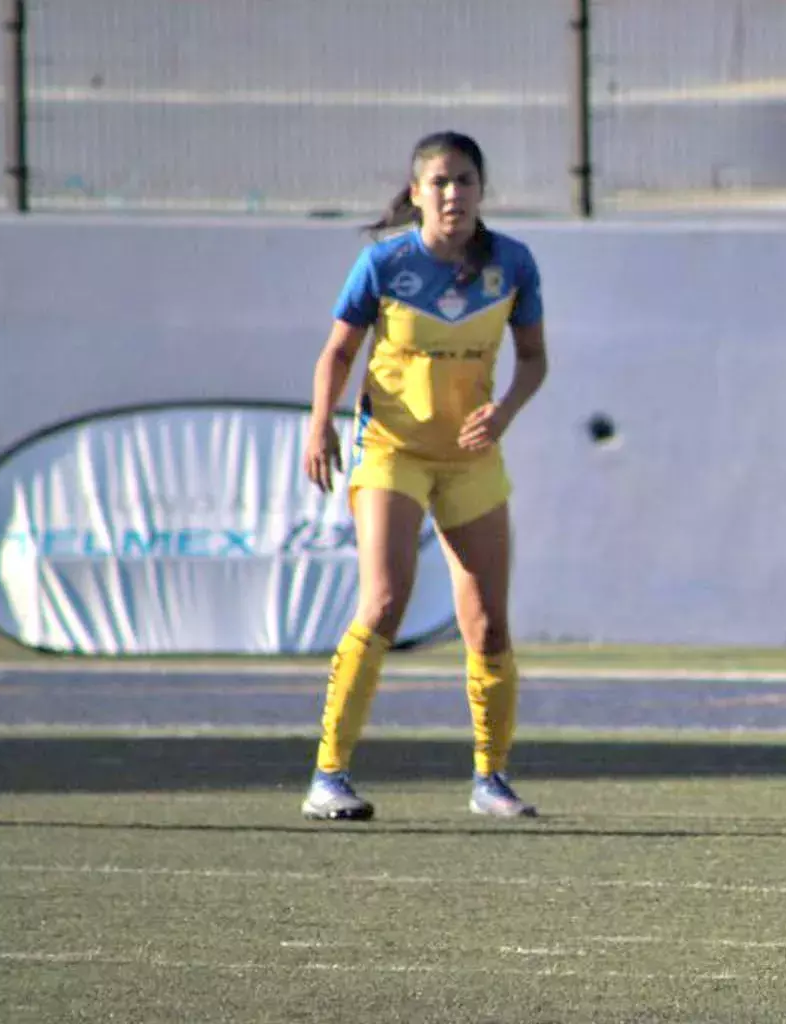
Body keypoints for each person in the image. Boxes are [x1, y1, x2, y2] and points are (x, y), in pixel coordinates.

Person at [298, 131, 550, 822]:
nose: (452, 194)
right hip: (392, 452)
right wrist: (319, 423)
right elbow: (337, 353)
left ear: (481, 191)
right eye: (438, 182)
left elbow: (533, 360)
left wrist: (501, 414)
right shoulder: (384, 263)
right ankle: (329, 774)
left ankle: (491, 779)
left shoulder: (512, 265)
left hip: (470, 459)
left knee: (488, 623)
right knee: (383, 602)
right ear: (416, 193)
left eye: (464, 180)